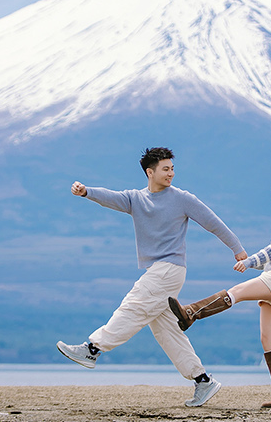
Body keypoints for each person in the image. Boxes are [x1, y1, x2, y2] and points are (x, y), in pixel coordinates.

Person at [57, 147, 246, 407]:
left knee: (133, 306)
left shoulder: (182, 198)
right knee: (166, 330)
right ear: (150, 172)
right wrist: (86, 191)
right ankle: (202, 380)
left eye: (172, 169)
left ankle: (92, 349)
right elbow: (110, 197)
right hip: (159, 270)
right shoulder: (135, 199)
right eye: (165, 169)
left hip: (169, 269)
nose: (171, 173)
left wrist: (237, 249)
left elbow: (212, 222)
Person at [167, 177, 271, 409]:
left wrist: (248, 263)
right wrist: (249, 261)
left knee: (238, 291)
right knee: (267, 339)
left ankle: (191, 313)